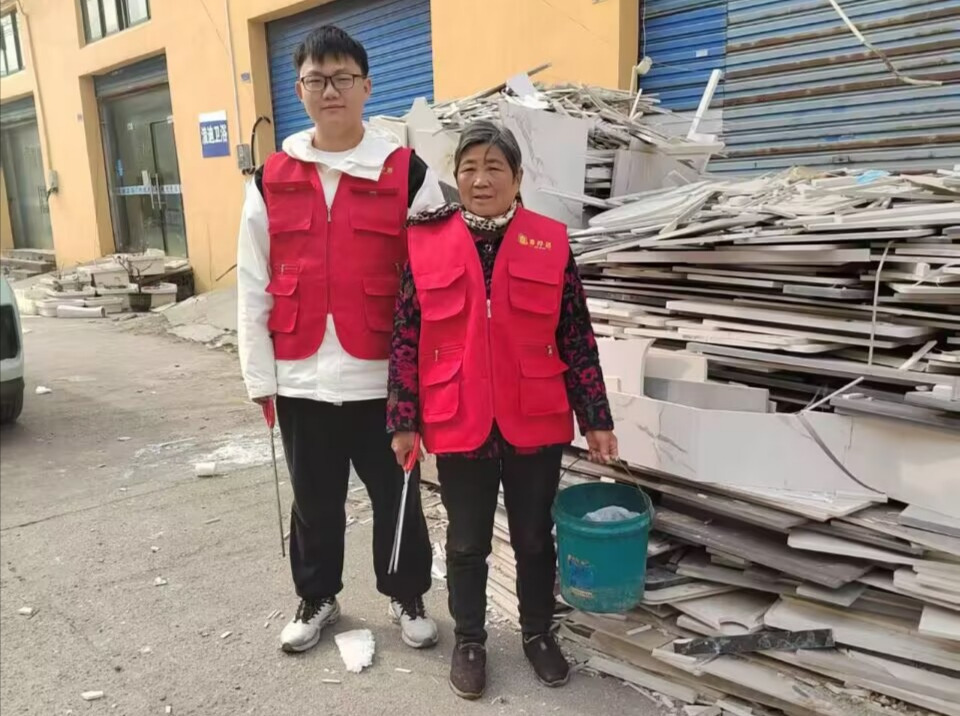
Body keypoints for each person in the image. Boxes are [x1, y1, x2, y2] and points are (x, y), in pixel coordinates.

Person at [387, 121, 618, 699]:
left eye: (494, 167)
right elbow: (406, 335)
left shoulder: (550, 241)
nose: (481, 179)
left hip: (534, 416)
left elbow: (576, 335)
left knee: (535, 537)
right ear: (456, 177)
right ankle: (470, 641)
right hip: (458, 414)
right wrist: (403, 419)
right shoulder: (425, 241)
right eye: (469, 168)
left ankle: (539, 634)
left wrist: (596, 418)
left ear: (517, 178)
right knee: (466, 542)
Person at [237, 25, 445, 655]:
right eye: (316, 79)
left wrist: (428, 380)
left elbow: (436, 283)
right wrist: (259, 378)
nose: (330, 90)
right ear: (299, 89)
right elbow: (252, 282)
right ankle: (317, 596)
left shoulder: (406, 172)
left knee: (397, 496)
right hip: (301, 375)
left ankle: (406, 594)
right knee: (314, 502)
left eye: (343, 78)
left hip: (384, 380)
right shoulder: (272, 177)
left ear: (366, 86)